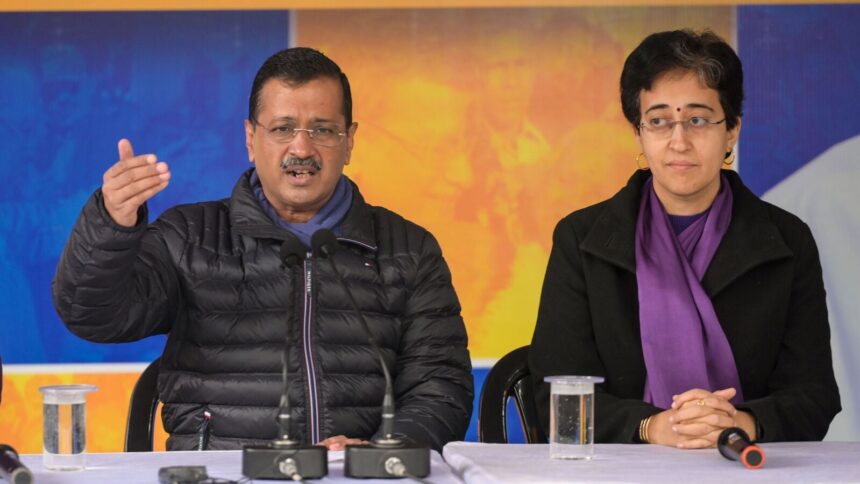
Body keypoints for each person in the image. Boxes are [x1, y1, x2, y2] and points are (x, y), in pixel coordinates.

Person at [52, 47, 473, 452]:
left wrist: (383, 450)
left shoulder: (409, 249)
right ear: (251, 138)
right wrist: (111, 223)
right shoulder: (188, 236)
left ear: (349, 141)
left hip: (354, 475)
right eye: (283, 128)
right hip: (222, 471)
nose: (302, 149)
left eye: (323, 130)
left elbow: (440, 385)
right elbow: (90, 314)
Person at [529, 29, 840, 448]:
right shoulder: (582, 239)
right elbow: (554, 394)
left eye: (697, 119)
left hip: (747, 466)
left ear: (731, 130)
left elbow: (814, 396)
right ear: (638, 134)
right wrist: (653, 427)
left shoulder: (786, 241)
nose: (679, 142)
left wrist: (742, 423)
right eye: (658, 121)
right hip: (621, 470)